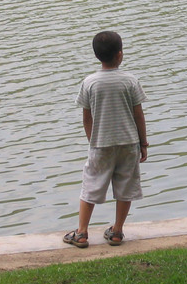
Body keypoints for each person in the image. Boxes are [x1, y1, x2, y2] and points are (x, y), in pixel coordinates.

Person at [63, 31, 149, 248]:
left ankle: (81, 233)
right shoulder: (130, 81)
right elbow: (138, 114)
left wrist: (93, 141)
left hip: (101, 144)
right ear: (120, 55)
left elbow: (86, 117)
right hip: (129, 143)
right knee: (125, 185)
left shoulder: (90, 82)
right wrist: (143, 143)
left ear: (96, 56)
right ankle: (117, 231)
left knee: (91, 184)